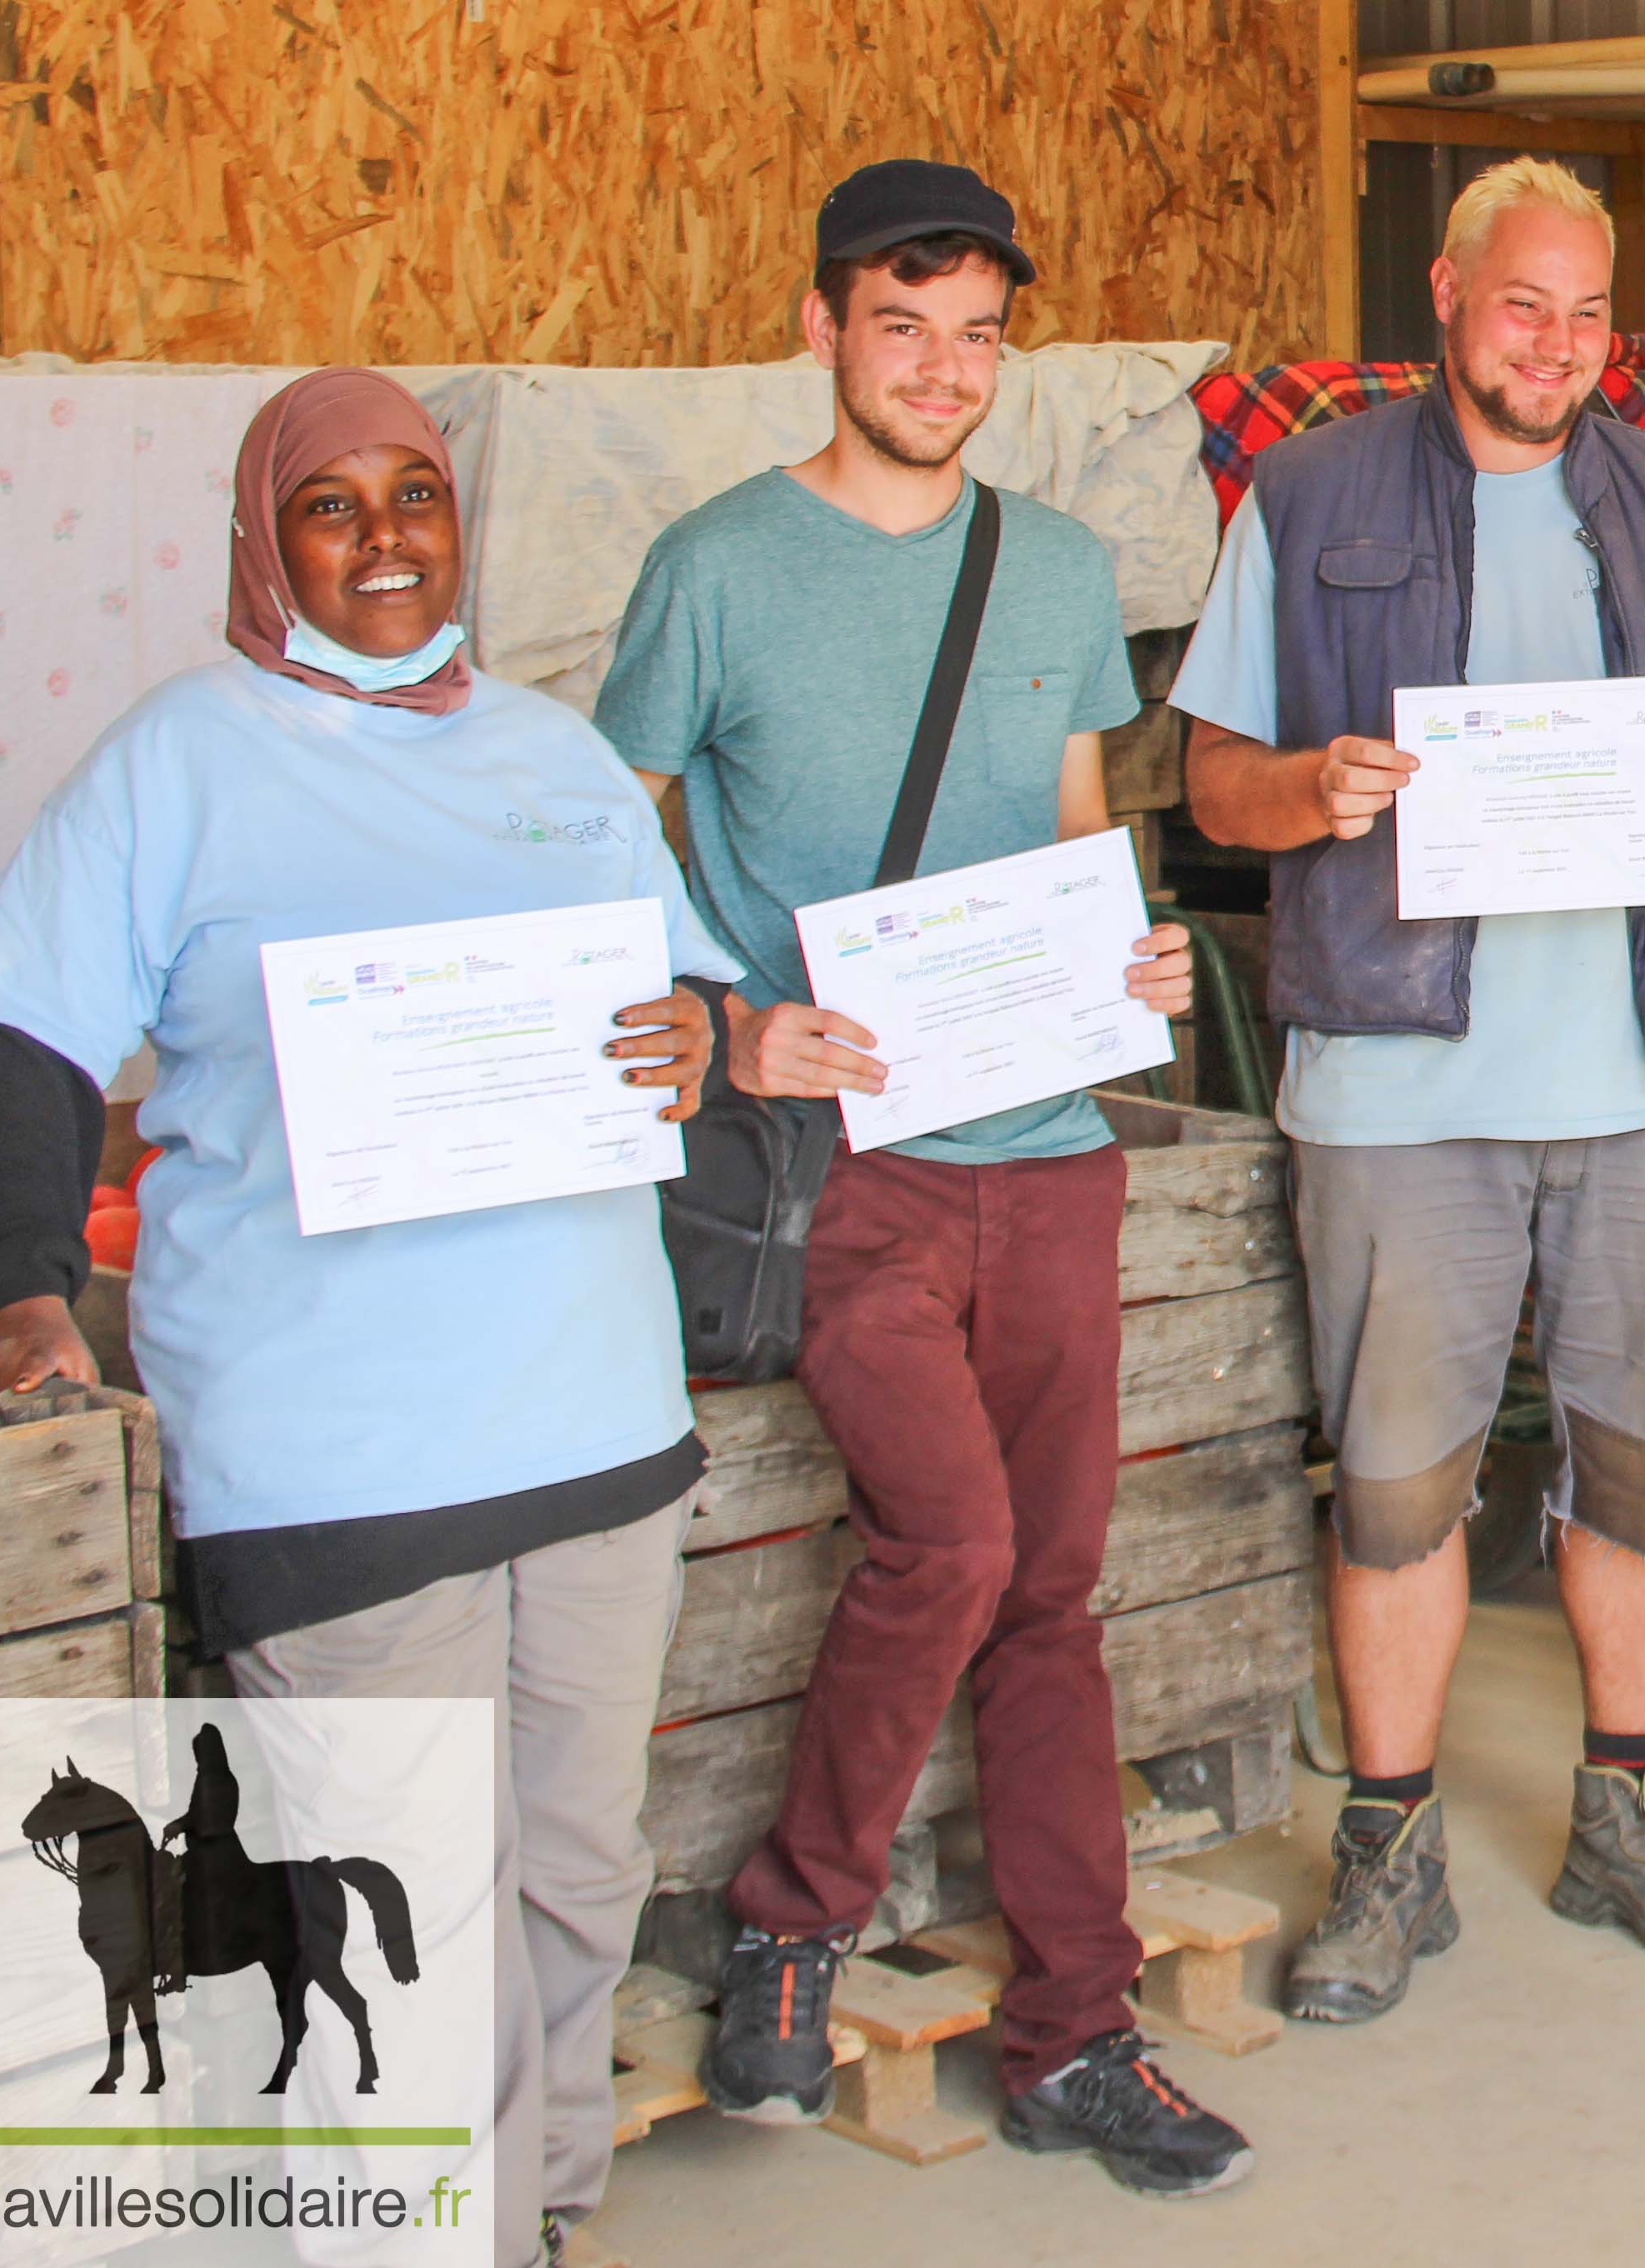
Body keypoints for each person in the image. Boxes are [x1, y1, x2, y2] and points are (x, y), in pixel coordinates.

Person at [0, 368, 730, 2268]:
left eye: (418, 495)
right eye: (332, 506)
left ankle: (531, 2220)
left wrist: (693, 1035)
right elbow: (33, 1030)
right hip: (337, 1447)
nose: (386, 539)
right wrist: (25, 1284)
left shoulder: (557, 762)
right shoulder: (179, 759)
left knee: (572, 1874)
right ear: (265, 540)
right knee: (391, 1902)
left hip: (600, 1420)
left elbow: (680, 1006)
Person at [599, 162, 1245, 2196]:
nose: (943, 369)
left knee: (1055, 1594)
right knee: (952, 1540)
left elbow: (1072, 836)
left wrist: (1126, 952)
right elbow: (608, 857)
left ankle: (1079, 2026)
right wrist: (725, 1027)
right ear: (821, 329)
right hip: (842, 1158)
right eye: (904, 326)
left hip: (1046, 1153)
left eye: (978, 335)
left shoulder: (1051, 569)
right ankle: (795, 1914)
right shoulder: (710, 564)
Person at [1174, 157, 1645, 2019]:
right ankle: (1389, 1848)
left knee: (1643, 1468)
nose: (1554, 344)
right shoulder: (1306, 497)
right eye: (1522, 303)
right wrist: (1320, 794)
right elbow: (1214, 781)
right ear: (1449, 300)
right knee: (1394, 1485)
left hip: (1643, 1078)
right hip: (1400, 1082)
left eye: (1588, 312)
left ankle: (1629, 1806)